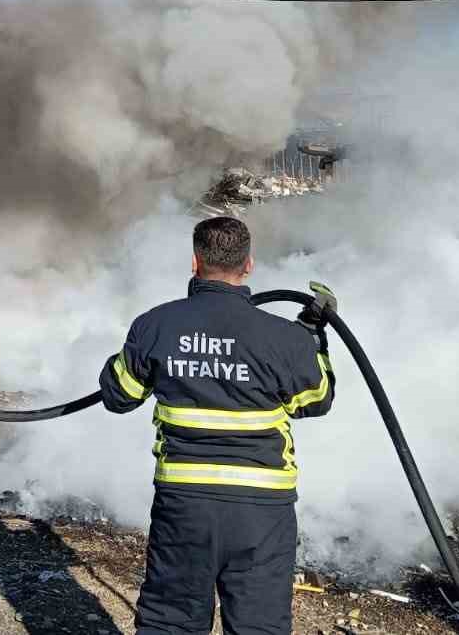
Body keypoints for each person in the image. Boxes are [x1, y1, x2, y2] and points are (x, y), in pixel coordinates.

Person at [98, 215, 335, 635]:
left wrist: (138, 355)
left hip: (184, 506)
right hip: (262, 511)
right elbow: (315, 401)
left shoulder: (156, 324)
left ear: (195, 262)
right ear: (248, 265)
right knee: (259, 626)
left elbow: (119, 396)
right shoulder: (284, 337)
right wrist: (313, 336)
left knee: (171, 622)